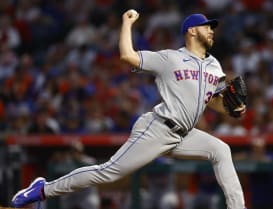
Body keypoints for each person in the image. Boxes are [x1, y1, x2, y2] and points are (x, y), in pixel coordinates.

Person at [11, 10, 247, 209]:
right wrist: (126, 23)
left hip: (184, 135)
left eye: (212, 28)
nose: (212, 30)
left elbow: (212, 100)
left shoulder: (214, 65)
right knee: (108, 172)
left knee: (221, 150)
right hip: (158, 129)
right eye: (207, 27)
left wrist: (232, 110)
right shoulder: (170, 58)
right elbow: (127, 56)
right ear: (192, 31)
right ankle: (44, 190)